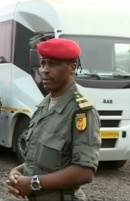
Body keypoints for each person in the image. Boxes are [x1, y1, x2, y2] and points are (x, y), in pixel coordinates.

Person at [6, 38, 101, 201]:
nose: (45, 70)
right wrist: (18, 171)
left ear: (72, 68)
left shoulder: (81, 112)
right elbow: (41, 159)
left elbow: (85, 172)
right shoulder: (44, 106)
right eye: (43, 64)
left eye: (53, 64)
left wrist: (32, 183)